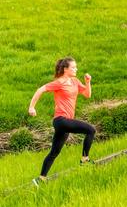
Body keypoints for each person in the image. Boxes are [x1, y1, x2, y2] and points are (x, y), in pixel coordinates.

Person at [28, 57, 95, 186]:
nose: (76, 69)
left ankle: (40, 179)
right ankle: (85, 159)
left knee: (54, 152)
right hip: (61, 120)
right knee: (91, 130)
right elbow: (40, 90)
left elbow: (87, 95)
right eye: (73, 67)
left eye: (76, 67)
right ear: (65, 69)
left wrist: (88, 82)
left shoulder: (75, 81)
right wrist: (32, 107)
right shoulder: (59, 82)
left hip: (65, 122)